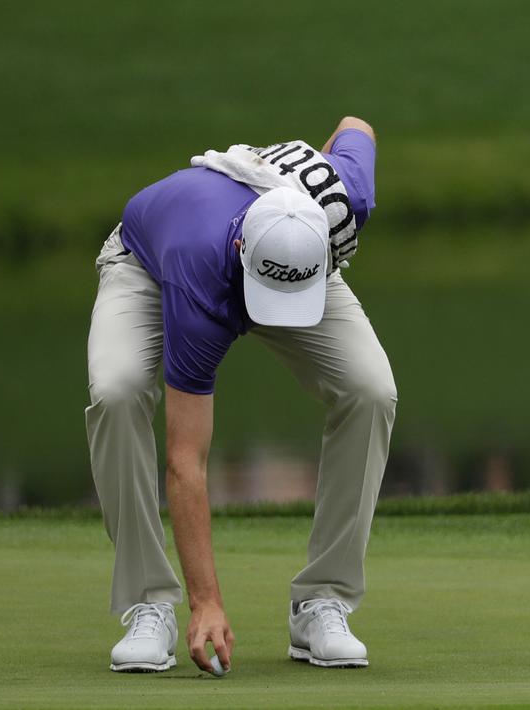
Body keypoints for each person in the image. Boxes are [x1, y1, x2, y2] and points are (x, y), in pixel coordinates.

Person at [85, 117, 397, 673]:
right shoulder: (197, 273)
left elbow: (355, 126)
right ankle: (148, 603)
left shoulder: (344, 200)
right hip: (150, 264)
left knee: (371, 389)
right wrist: (208, 602)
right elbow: (187, 459)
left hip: (293, 254)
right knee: (119, 389)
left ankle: (321, 601)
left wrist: (313, 172)